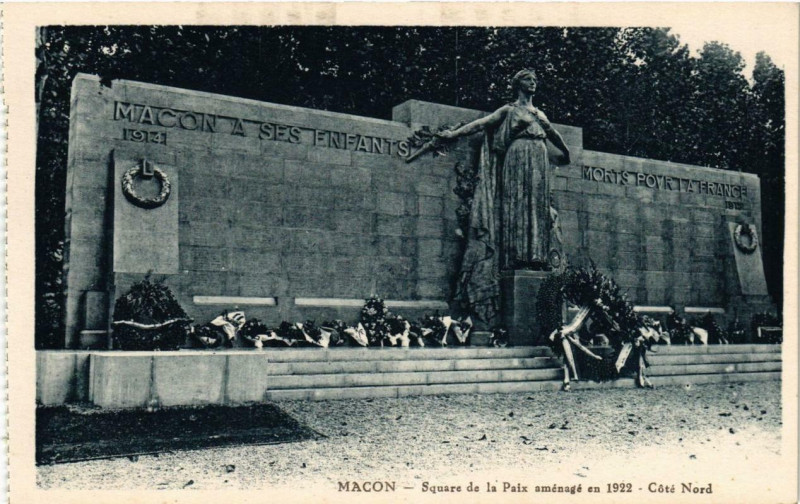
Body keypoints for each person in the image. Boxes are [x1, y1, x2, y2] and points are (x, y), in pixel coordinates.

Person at [441, 69, 571, 326]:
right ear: (517, 84)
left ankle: (536, 257)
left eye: (535, 79)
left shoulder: (539, 114)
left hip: (538, 157)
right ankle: (517, 257)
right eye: (528, 79)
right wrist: (454, 134)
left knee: (536, 208)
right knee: (519, 207)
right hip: (517, 156)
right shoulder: (509, 110)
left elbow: (554, 134)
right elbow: (482, 124)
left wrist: (566, 152)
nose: (533, 83)